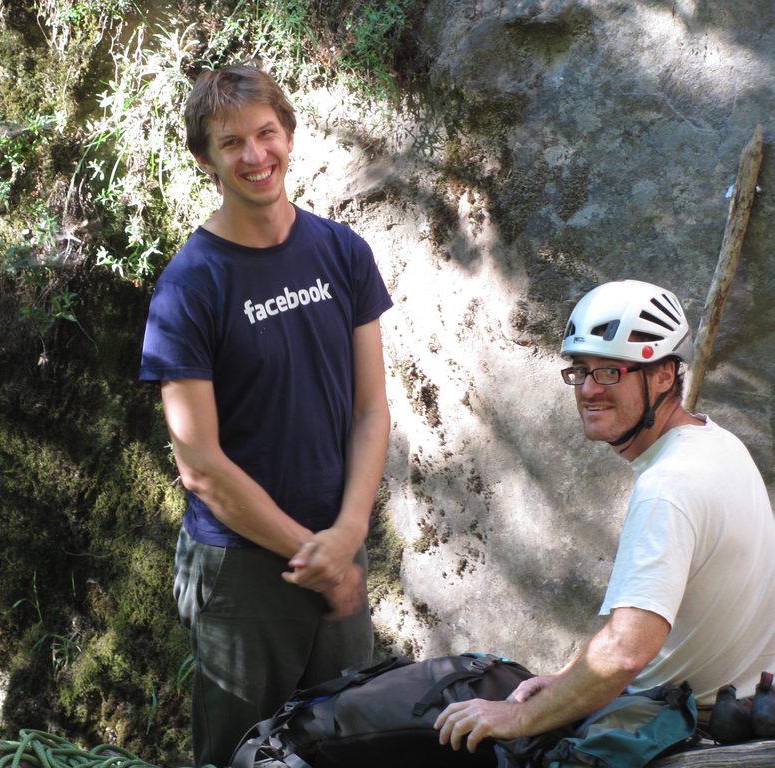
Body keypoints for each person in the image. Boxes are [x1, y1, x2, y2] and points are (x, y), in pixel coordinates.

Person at [139, 63, 392, 766]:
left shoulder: (341, 252)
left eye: (266, 133)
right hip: (244, 568)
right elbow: (202, 466)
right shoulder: (189, 289)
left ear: (288, 134)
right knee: (242, 755)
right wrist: (316, 556)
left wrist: (347, 534)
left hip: (336, 544)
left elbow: (371, 410)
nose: (255, 157)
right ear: (205, 160)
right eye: (231, 143)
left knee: (347, 742)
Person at [435, 279, 775, 756]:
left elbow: (624, 653)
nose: (590, 390)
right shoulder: (717, 443)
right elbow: (633, 632)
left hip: (680, 728)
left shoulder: (669, 487)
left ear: (662, 375)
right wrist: (562, 682)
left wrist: (519, 717)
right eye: (581, 371)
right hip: (728, 711)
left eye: (612, 372)